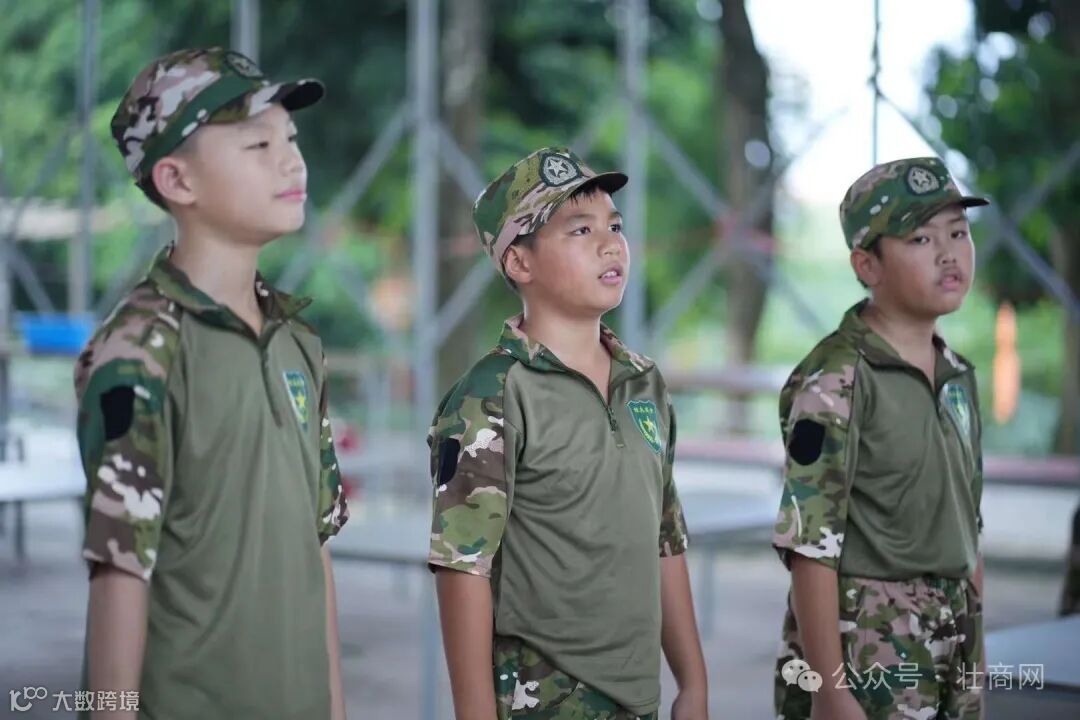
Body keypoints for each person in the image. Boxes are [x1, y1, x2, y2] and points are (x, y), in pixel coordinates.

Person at [74, 47, 348, 720]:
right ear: (177, 179)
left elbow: (315, 549)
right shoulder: (142, 352)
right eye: (258, 145)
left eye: (291, 139)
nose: (292, 162)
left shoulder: (298, 341)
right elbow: (119, 575)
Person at [427, 147, 709, 720]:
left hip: (640, 697)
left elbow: (665, 538)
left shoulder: (644, 383)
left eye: (615, 227)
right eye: (581, 230)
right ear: (520, 262)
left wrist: (694, 683)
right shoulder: (493, 393)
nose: (611, 245)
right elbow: (462, 569)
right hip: (544, 698)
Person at [772, 157, 989, 720]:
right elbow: (810, 545)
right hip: (870, 640)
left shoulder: (958, 375)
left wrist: (974, 658)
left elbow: (970, 523)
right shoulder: (837, 377)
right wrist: (830, 691)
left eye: (958, 233)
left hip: (955, 632)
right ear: (867, 264)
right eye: (921, 239)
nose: (949, 254)